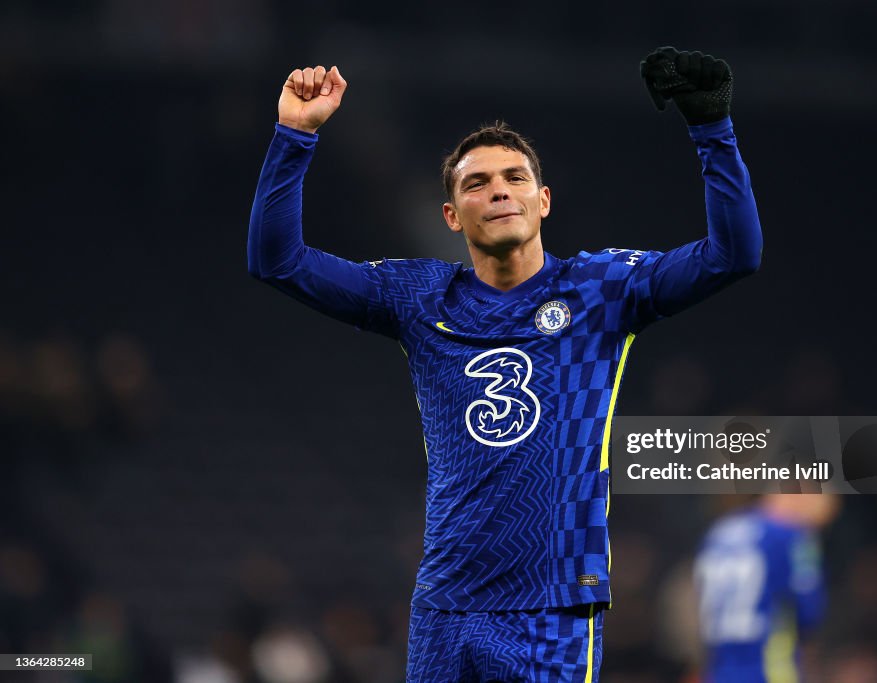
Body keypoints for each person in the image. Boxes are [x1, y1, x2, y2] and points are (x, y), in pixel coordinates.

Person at [248, 48, 762, 682]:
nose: (498, 190)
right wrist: (293, 135)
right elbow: (278, 261)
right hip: (445, 608)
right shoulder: (417, 298)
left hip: (555, 607)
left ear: (542, 200)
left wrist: (713, 130)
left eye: (514, 178)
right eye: (476, 183)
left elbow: (732, 254)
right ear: (451, 214)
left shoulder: (602, 290)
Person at [694, 495, 840, 683]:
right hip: (768, 669)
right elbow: (810, 611)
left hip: (718, 670)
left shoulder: (718, 534)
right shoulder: (792, 534)